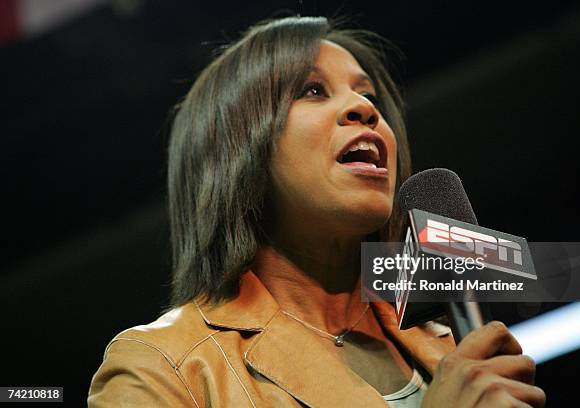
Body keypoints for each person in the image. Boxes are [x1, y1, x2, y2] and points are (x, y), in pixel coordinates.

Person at [88, 16, 546, 407]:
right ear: (235, 149)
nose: (363, 108)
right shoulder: (161, 368)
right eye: (311, 90)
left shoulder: (447, 345)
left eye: (368, 95)